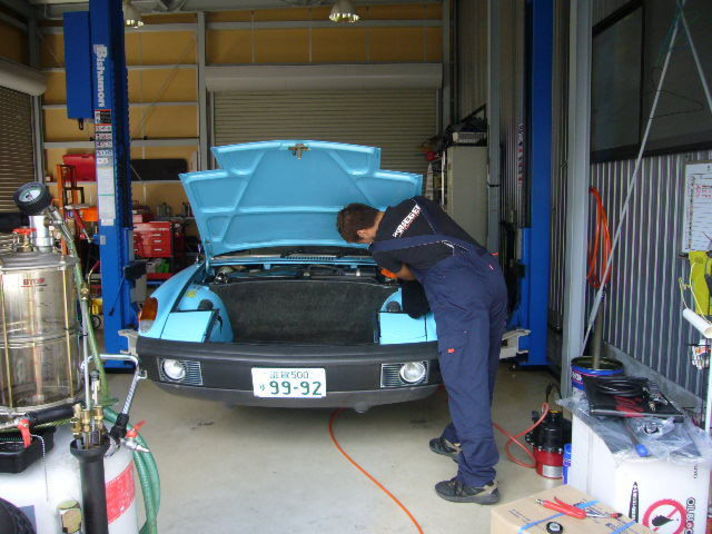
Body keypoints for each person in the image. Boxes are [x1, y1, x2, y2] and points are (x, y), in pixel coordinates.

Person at [336, 196, 507, 504]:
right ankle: (457, 438)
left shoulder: (381, 249)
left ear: (362, 234)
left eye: (361, 241)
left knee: (465, 382)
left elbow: (409, 274)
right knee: (482, 367)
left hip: (460, 294)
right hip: (490, 275)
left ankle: (478, 479)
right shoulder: (417, 203)